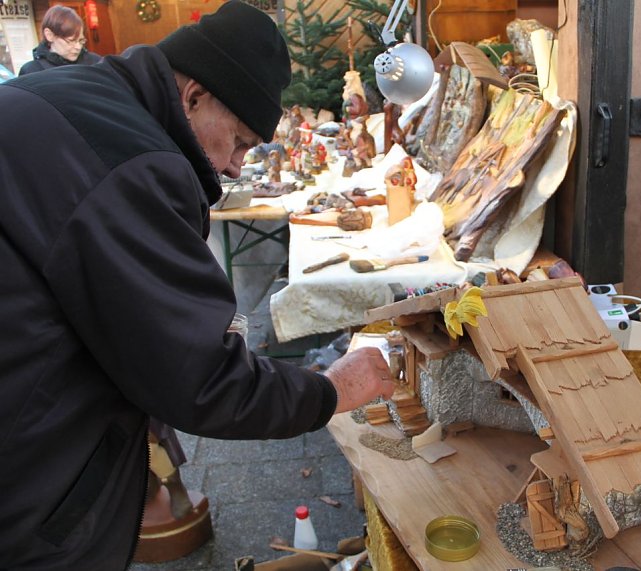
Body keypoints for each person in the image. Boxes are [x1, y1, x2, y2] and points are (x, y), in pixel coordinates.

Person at [0, 2, 396, 569]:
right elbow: (202, 378)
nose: (236, 167)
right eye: (236, 140)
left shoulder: (81, 96)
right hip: (23, 479)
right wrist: (331, 392)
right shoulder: (135, 163)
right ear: (193, 97)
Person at [18, 5, 101, 75]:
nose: (78, 47)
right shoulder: (32, 71)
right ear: (49, 35)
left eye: (81, 41)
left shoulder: (96, 63)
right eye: (71, 41)